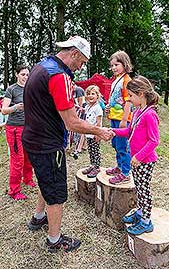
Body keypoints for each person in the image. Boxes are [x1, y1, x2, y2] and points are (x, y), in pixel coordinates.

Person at [22, 35, 113, 253]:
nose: (81, 67)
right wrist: (98, 130)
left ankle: (38, 218)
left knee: (46, 181)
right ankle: (54, 240)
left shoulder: (42, 65)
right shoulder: (59, 75)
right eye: (81, 62)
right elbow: (71, 123)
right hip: (48, 144)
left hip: (33, 138)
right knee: (56, 192)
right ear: (73, 53)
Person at [112, 75, 160, 235]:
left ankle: (146, 221)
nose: (129, 99)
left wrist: (139, 157)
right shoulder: (139, 111)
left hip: (145, 161)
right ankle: (140, 212)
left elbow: (154, 141)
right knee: (139, 188)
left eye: (131, 96)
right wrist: (113, 131)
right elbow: (129, 131)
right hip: (137, 161)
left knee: (144, 189)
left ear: (141, 94)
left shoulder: (149, 114)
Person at [1, 65, 36, 201]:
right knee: (17, 160)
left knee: (29, 156)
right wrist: (16, 107)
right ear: (17, 75)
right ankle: (14, 190)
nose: (25, 77)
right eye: (23, 74)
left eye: (27, 74)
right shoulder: (12, 89)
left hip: (29, 128)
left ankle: (27, 179)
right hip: (14, 129)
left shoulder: (30, 89)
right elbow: (4, 110)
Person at [105, 50, 132, 185]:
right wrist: (109, 107)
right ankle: (120, 167)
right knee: (116, 144)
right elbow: (116, 99)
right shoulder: (116, 80)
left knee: (123, 146)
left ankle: (126, 172)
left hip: (122, 119)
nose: (114, 68)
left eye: (117, 64)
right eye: (112, 65)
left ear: (125, 64)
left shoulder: (126, 80)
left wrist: (124, 120)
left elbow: (128, 101)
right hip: (114, 117)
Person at [82, 85, 103, 178]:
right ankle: (92, 165)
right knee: (90, 150)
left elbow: (99, 122)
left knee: (95, 151)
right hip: (88, 134)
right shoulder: (87, 106)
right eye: (88, 94)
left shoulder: (97, 108)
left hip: (95, 134)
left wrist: (98, 133)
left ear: (97, 96)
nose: (90, 96)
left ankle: (97, 167)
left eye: (93, 94)